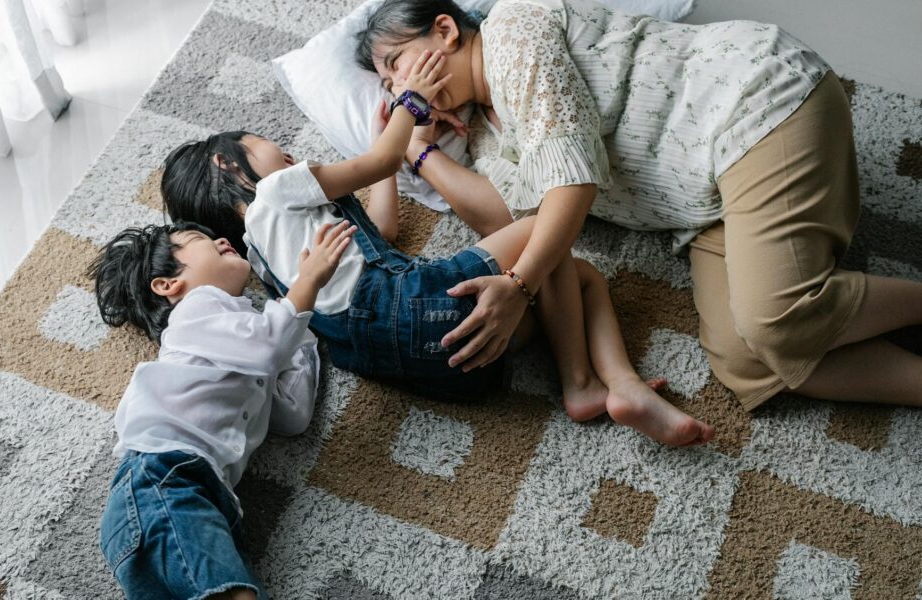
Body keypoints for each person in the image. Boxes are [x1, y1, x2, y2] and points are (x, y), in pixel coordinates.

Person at [355, 0, 922, 411]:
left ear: (446, 30)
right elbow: (510, 221)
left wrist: (520, 284)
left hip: (757, 103)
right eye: (386, 87)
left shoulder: (514, 28)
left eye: (396, 66)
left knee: (774, 324)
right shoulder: (483, 136)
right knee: (744, 361)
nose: (395, 90)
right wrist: (420, 149)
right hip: (704, 202)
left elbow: (572, 186)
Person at [160, 49, 715, 446]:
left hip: (432, 361)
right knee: (544, 227)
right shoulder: (278, 191)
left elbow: (382, 230)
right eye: (275, 150)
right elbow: (377, 163)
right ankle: (583, 379)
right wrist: (410, 103)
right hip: (419, 303)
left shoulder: (265, 259)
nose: (288, 158)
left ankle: (612, 388)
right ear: (227, 163)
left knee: (579, 277)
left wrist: (389, 150)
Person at [89, 219, 357, 600]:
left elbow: (292, 413)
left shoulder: (243, 336)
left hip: (197, 499)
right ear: (168, 285)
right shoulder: (195, 310)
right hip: (163, 481)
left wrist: (299, 326)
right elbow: (267, 346)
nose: (220, 238)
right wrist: (306, 283)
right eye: (200, 239)